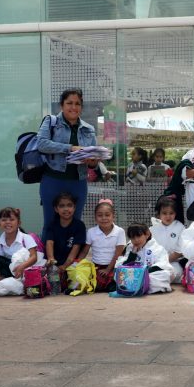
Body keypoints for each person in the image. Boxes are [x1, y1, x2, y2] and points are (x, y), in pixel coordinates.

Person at [37, 88, 97, 227]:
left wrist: (93, 162)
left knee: (75, 223)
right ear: (61, 105)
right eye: (69, 103)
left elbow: (93, 159)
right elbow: (41, 144)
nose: (73, 107)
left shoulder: (89, 129)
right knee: (50, 223)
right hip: (53, 180)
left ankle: (72, 250)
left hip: (78, 182)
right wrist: (70, 148)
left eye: (77, 104)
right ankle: (49, 249)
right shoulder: (51, 122)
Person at [0, 207, 44, 296]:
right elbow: (1, 263)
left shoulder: (26, 238)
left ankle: (26, 286)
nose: (8, 222)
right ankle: (21, 287)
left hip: (27, 271)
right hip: (12, 273)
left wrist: (22, 267)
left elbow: (34, 257)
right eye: (4, 220)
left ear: (19, 223)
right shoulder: (0, 244)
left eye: (12, 219)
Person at [79, 199, 126, 292]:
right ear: (95, 218)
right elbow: (85, 251)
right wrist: (77, 264)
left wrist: (108, 270)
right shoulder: (91, 232)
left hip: (113, 266)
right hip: (96, 266)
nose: (104, 218)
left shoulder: (119, 231)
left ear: (113, 216)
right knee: (83, 280)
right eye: (100, 215)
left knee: (116, 281)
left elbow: (118, 254)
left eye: (107, 215)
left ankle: (110, 284)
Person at [44, 192, 86, 293]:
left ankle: (67, 284)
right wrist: (51, 260)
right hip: (55, 263)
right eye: (62, 206)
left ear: (74, 208)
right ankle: (55, 286)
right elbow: (49, 243)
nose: (66, 209)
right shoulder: (52, 225)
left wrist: (65, 266)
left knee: (76, 281)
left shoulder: (79, 225)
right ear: (56, 209)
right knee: (51, 281)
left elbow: (76, 248)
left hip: (71, 263)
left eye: (69, 205)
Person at [115, 223, 174, 294]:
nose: (136, 240)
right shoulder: (130, 247)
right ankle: (139, 287)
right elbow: (122, 266)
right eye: (133, 237)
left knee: (164, 275)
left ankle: (135, 287)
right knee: (118, 275)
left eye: (139, 236)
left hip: (150, 274)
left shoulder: (157, 248)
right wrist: (132, 254)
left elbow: (163, 265)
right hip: (132, 275)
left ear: (147, 234)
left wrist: (143, 272)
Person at [149, 196, 185, 284]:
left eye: (171, 213)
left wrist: (164, 262)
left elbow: (179, 251)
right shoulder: (152, 230)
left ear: (175, 214)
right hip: (156, 263)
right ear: (158, 214)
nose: (168, 216)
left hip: (174, 263)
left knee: (170, 273)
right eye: (164, 213)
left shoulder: (180, 227)